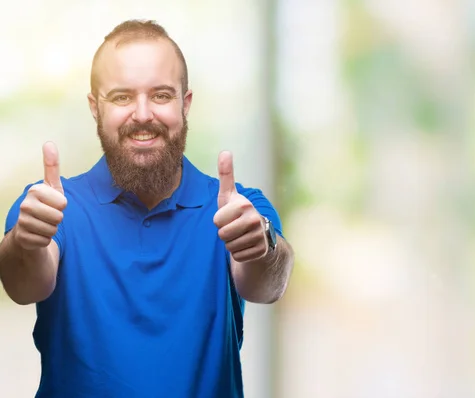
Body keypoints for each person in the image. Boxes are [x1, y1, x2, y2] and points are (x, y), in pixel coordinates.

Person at [0, 19, 294, 398]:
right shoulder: (48, 208)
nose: (142, 114)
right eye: (122, 97)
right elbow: (23, 285)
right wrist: (25, 242)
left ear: (185, 103)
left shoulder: (239, 208)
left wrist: (262, 243)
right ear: (95, 107)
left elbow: (267, 285)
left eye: (161, 95)